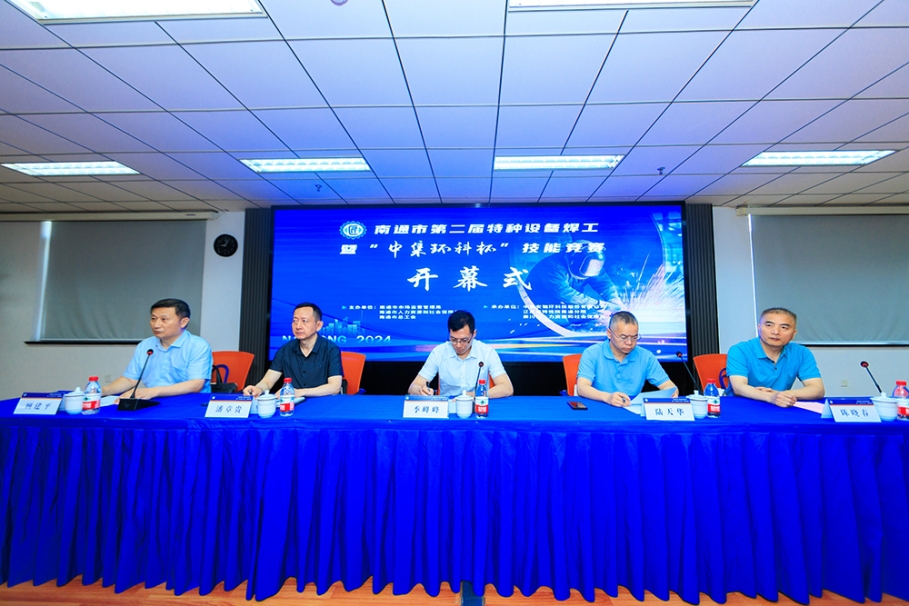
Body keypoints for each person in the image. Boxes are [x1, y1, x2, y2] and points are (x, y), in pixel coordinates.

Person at [103, 298, 212, 398]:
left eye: (164, 319)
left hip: (189, 403)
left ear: (183, 322)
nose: (156, 325)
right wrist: (103, 391)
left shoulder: (197, 346)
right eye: (153, 319)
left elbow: (196, 384)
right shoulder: (145, 345)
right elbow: (129, 379)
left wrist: (154, 391)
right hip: (154, 401)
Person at [726, 307, 824, 407]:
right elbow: (739, 387)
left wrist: (783, 395)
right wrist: (770, 397)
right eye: (769, 325)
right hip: (741, 405)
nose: (776, 332)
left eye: (784, 327)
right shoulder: (740, 350)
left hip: (780, 406)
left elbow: (817, 389)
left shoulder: (801, 352)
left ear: (793, 334)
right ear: (759, 328)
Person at [576, 311, 677, 406]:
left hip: (631, 407)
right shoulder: (592, 353)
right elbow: (582, 388)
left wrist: (672, 392)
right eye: (623, 337)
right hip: (599, 406)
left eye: (634, 337)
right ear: (609, 333)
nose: (629, 342)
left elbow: (669, 386)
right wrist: (607, 397)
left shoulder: (646, 356)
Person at [243, 302, 342, 398]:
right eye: (295, 321)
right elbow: (267, 382)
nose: (298, 326)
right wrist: (258, 388)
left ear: (318, 325)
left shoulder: (331, 349)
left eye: (304, 321)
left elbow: (335, 387)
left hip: (323, 403)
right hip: (293, 404)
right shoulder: (285, 350)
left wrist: (301, 392)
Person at [408, 310, 514, 398]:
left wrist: (475, 396)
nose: (458, 345)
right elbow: (413, 387)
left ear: (474, 334)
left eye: (464, 340)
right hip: (448, 408)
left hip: (477, 406)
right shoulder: (439, 352)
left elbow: (507, 388)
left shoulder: (486, 352)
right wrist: (420, 390)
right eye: (453, 339)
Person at [526, 246, 623, 311]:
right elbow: (563, 292)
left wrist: (613, 299)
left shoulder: (592, 261)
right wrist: (601, 305)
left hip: (568, 302)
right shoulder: (552, 266)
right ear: (572, 261)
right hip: (540, 303)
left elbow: (603, 283)